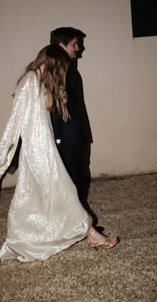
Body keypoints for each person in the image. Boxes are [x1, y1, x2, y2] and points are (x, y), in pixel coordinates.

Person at [0, 45, 118, 262]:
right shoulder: (29, 82)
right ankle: (89, 234)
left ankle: (34, 240)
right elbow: (13, 125)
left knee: (43, 197)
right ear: (54, 65)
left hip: (45, 150)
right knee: (57, 193)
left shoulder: (36, 81)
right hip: (38, 154)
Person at [50, 27, 93, 212]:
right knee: (72, 179)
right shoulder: (58, 72)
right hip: (68, 138)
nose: (78, 48)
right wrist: (58, 139)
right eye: (74, 44)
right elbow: (54, 108)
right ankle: (80, 224)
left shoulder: (70, 70)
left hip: (77, 134)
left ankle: (83, 221)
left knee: (81, 176)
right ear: (62, 45)